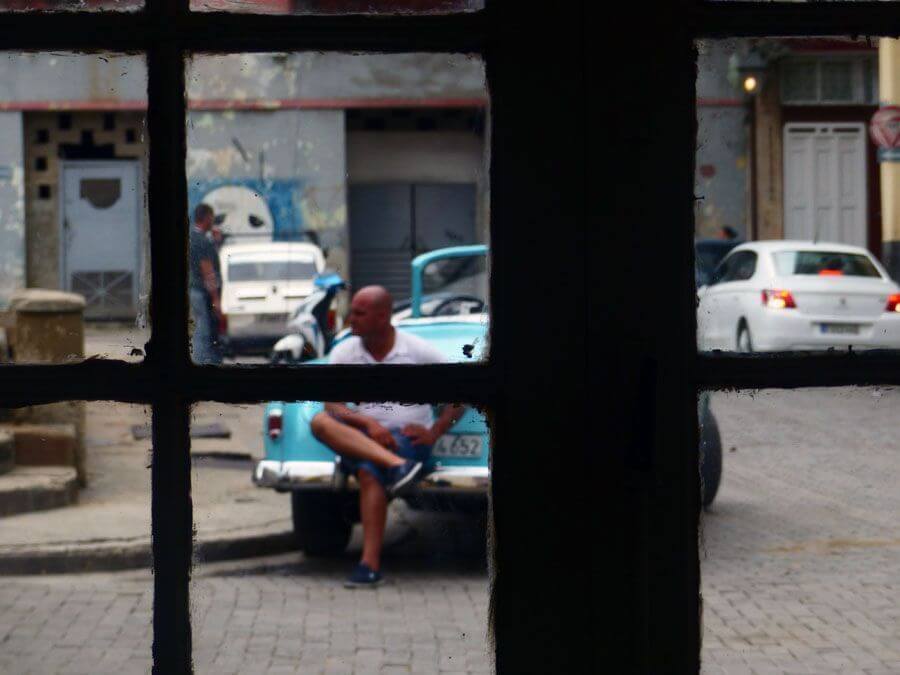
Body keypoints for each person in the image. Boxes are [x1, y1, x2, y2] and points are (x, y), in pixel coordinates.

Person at [309, 285, 466, 588]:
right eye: (351, 311)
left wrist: (435, 431)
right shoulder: (346, 350)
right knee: (319, 421)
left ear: (382, 317)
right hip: (365, 438)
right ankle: (396, 467)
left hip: (408, 440)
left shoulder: (417, 350)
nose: (350, 318)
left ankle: (369, 565)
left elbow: (459, 391)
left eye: (359, 312)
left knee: (369, 473)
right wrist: (368, 424)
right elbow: (331, 402)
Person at [189, 203, 223, 364]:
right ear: (207, 217)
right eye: (212, 217)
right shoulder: (203, 241)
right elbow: (207, 271)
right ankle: (201, 365)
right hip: (199, 292)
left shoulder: (191, 237)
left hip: (191, 289)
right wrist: (216, 299)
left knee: (197, 329)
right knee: (202, 331)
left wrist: (215, 243)